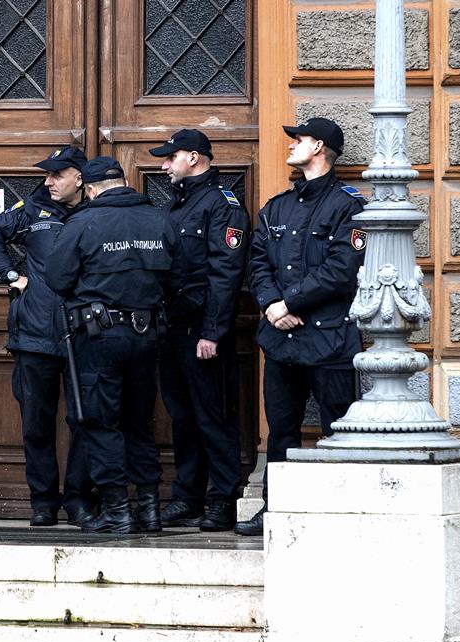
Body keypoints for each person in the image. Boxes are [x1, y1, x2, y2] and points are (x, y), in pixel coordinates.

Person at [236, 118, 367, 536]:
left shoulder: (349, 206)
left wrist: (288, 303)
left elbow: (341, 271)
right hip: (281, 340)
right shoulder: (277, 206)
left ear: (320, 147)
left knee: (339, 430)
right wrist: (271, 305)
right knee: (280, 432)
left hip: (330, 339)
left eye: (299, 138)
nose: (292, 144)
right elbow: (257, 262)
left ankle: (342, 515)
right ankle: (274, 508)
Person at [47, 156, 185, 534]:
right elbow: (178, 276)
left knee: (101, 422)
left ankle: (118, 510)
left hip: (99, 337)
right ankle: (150, 510)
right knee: (139, 422)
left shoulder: (82, 223)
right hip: (147, 334)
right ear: (124, 182)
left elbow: (58, 278)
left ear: (91, 190)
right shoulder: (159, 220)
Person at [0, 147, 96, 527]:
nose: (49, 181)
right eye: (47, 174)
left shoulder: (97, 211)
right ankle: (43, 502)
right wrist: (11, 276)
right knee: (36, 423)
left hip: (85, 335)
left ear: (79, 178)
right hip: (36, 333)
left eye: (57, 174)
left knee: (85, 420)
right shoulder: (32, 209)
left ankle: (79, 500)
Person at [149, 129, 250, 533]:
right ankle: (187, 497)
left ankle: (222, 498)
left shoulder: (222, 205)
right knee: (183, 417)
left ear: (193, 157)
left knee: (213, 417)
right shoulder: (176, 205)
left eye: (170, 157)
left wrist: (213, 331)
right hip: (172, 327)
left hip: (203, 331)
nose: (164, 165)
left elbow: (225, 273)